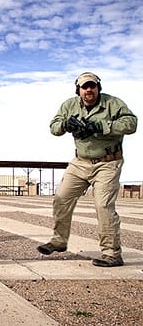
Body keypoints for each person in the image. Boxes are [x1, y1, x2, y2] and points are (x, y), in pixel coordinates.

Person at [37, 72, 137, 267]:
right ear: (79, 90)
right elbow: (53, 127)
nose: (89, 90)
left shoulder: (113, 103)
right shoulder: (69, 105)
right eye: (85, 87)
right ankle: (59, 241)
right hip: (80, 162)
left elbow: (131, 124)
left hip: (107, 162)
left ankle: (112, 254)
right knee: (61, 198)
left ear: (98, 88)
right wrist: (65, 124)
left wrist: (100, 126)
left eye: (92, 86)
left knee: (103, 206)